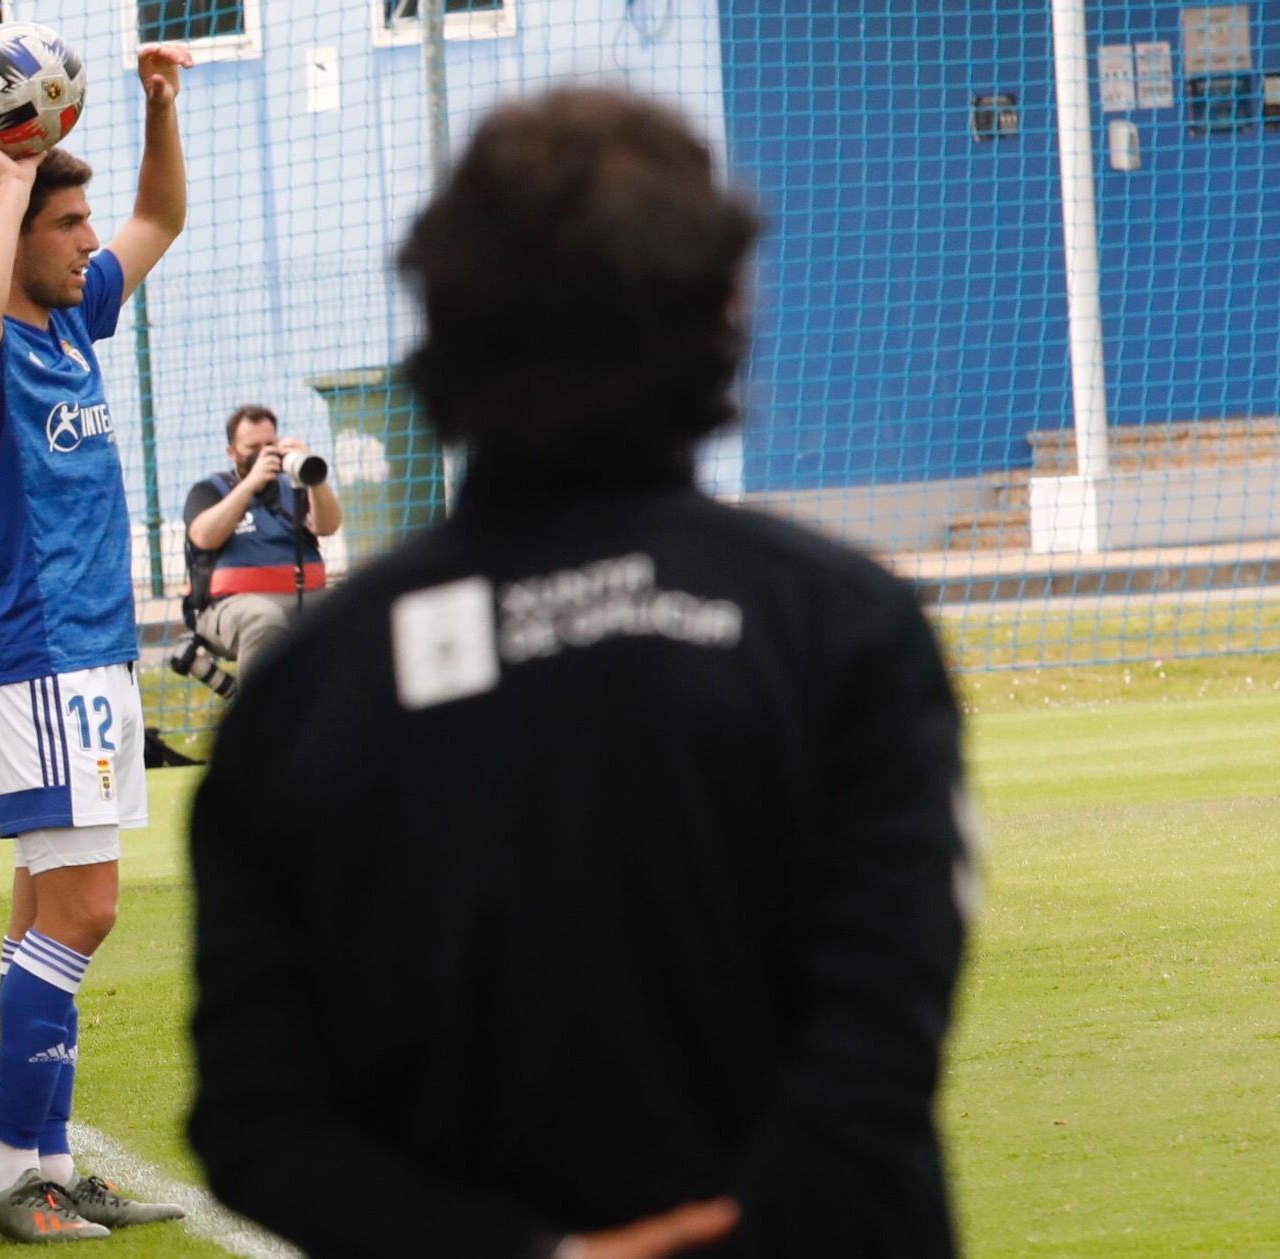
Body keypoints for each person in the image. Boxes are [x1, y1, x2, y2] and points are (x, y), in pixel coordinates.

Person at [187, 89, 973, 1259]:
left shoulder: (305, 693)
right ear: (720, 309)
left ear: (443, 327)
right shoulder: (842, 628)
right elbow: (882, 1026)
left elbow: (256, 1118)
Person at [0, 44, 195, 1244]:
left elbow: (160, 213)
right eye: (64, 219)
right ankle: (10, 1180)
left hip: (88, 659)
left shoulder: (83, 315)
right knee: (83, 913)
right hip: (41, 658)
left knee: (45, 910)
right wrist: (12, 176)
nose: (90, 240)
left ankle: (42, 1163)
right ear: (16, 223)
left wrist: (156, 106)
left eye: (82, 218)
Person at [181, 403, 342, 675]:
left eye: (269, 444)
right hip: (230, 607)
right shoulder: (209, 490)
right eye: (252, 447)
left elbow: (328, 526)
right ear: (231, 452)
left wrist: (312, 476)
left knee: (359, 606)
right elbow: (203, 537)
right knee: (263, 618)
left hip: (304, 598)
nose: (263, 453)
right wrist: (250, 484)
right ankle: (261, 714)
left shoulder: (293, 487)